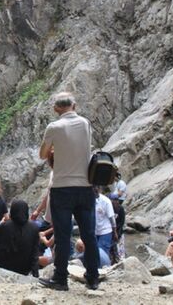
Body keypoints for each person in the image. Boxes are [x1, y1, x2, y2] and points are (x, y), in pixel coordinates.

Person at [38, 92, 99, 291]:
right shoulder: (85, 124)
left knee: (63, 235)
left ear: (56, 109)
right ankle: (93, 277)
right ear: (74, 106)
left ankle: (60, 279)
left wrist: (55, 150)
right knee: (89, 234)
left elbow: (42, 154)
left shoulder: (54, 127)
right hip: (85, 188)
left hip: (61, 188)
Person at [0, 200, 40, 276]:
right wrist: (35, 274)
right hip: (23, 269)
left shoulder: (5, 226)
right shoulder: (34, 228)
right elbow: (35, 253)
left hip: (3, 266)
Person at [94, 187, 116, 257]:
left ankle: (105, 267)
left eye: (96, 188)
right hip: (94, 232)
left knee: (102, 254)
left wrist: (114, 231)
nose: (94, 190)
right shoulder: (88, 200)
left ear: (99, 189)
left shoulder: (106, 201)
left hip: (105, 231)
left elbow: (112, 218)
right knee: (94, 254)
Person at [109, 193, 126, 263]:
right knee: (111, 249)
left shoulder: (121, 209)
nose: (115, 202)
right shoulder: (109, 208)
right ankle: (112, 260)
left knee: (120, 249)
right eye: (114, 200)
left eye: (116, 200)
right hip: (110, 231)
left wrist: (117, 233)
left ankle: (122, 261)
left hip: (119, 231)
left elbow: (122, 222)